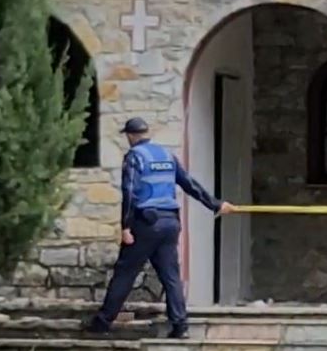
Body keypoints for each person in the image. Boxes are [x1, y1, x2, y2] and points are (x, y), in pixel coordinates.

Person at [84, 117, 235, 338]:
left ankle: (102, 323)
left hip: (145, 223)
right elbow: (189, 184)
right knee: (171, 276)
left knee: (125, 273)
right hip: (170, 223)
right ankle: (180, 326)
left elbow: (130, 191)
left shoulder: (135, 156)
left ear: (130, 135)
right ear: (147, 132)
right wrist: (216, 204)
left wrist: (126, 227)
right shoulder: (166, 155)